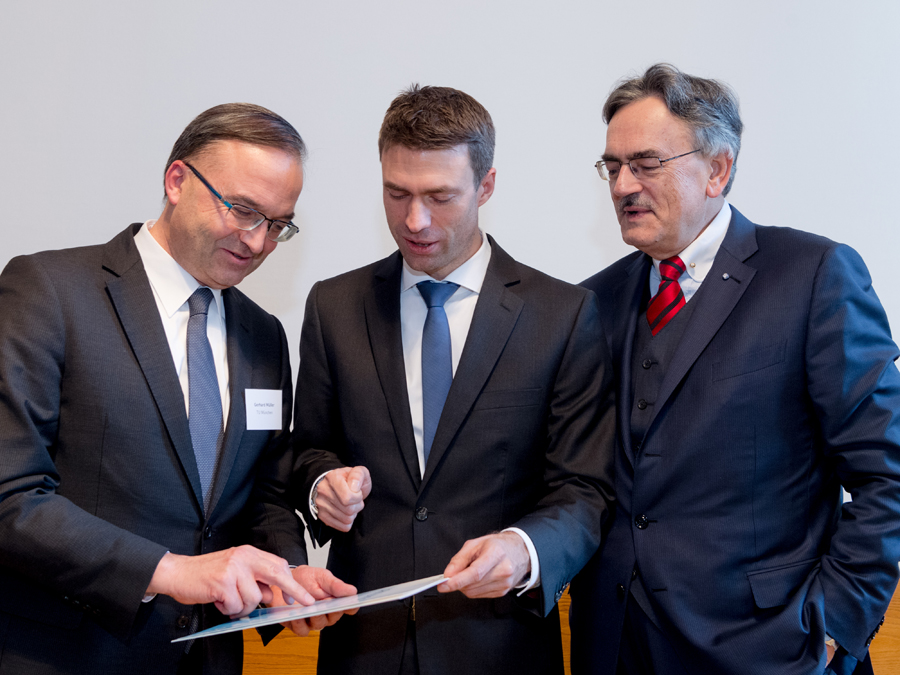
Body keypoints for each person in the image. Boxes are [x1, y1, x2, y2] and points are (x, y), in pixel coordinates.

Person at [0, 103, 355, 675]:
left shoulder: (264, 337)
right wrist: (169, 571)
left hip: (208, 659)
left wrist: (283, 574)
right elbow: (10, 496)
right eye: (243, 210)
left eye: (277, 224)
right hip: (67, 654)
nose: (258, 240)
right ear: (177, 180)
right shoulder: (49, 292)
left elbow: (259, 494)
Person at [571, 63, 900, 675]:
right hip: (614, 646)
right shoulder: (592, 302)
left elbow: (889, 473)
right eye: (611, 166)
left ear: (717, 168)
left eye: (644, 163)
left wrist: (833, 628)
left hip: (771, 651)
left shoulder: (813, 275)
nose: (621, 186)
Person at [289, 84, 616, 675]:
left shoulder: (563, 316)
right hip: (362, 646)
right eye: (397, 194)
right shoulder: (333, 306)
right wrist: (321, 485)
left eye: (440, 197)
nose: (415, 221)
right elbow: (308, 447)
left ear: (486, 186)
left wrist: (525, 549)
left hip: (501, 647)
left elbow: (584, 489)